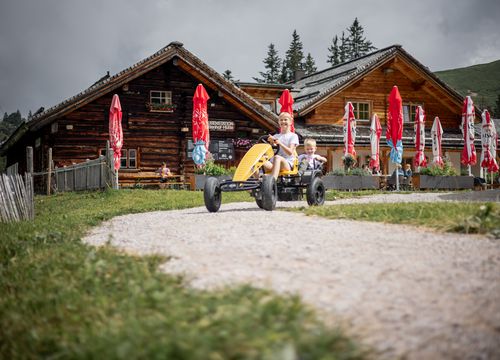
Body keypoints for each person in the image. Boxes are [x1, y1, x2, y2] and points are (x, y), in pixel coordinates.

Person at [262, 112, 299, 179]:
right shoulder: (276, 136)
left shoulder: (293, 136)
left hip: (287, 163)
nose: (283, 121)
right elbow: (272, 152)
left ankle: (273, 180)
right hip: (274, 163)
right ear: (279, 122)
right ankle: (257, 181)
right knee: (259, 160)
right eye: (281, 120)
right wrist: (271, 144)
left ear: (290, 122)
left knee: (277, 157)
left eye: (285, 119)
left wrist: (280, 143)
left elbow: (290, 152)